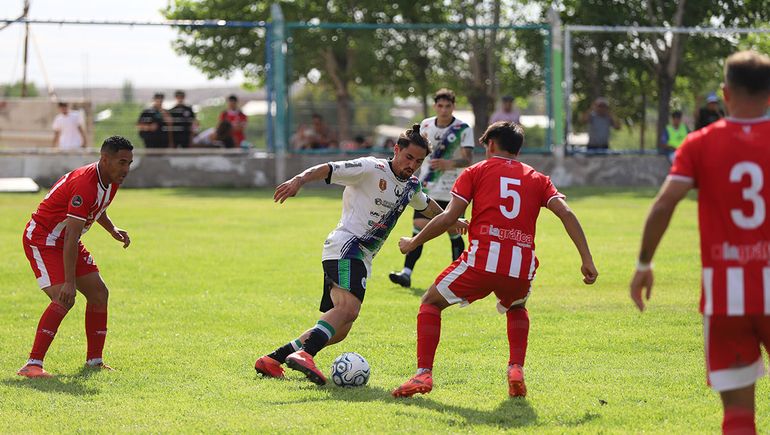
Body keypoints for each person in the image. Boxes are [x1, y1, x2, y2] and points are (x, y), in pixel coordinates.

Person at [391, 121, 598, 398]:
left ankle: (423, 375)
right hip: (520, 268)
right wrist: (587, 259)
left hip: (481, 263)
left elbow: (450, 217)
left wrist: (414, 241)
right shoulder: (538, 178)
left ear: (490, 144)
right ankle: (515, 368)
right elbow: (567, 213)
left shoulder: (476, 171)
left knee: (430, 302)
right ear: (518, 149)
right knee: (517, 307)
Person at [253, 124, 467, 385]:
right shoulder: (370, 168)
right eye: (409, 157)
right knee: (348, 308)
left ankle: (273, 359)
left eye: (419, 161)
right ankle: (305, 354)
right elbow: (329, 169)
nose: (412, 165)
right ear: (396, 150)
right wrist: (298, 180)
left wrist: (454, 219)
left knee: (341, 327)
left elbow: (427, 205)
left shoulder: (411, 186)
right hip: (346, 247)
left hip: (361, 257)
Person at [629, 50, 770, 434]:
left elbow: (664, 204)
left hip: (726, 296)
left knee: (739, 417)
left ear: (725, 94)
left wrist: (644, 264)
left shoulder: (699, 143)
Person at [16, 136, 134, 378]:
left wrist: (111, 229)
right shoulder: (84, 183)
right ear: (105, 159)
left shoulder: (111, 179)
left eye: (129, 163)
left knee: (99, 294)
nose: (126, 169)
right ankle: (32, 364)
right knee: (64, 298)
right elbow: (70, 236)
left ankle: (94, 361)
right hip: (44, 239)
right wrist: (69, 282)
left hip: (65, 240)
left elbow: (97, 207)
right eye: (122, 162)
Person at [389, 88, 474, 288]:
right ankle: (406, 273)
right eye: (440, 105)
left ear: (453, 107)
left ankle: (458, 278)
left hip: (453, 189)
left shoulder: (463, 128)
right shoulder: (425, 125)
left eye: (448, 106)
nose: (444, 110)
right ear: (435, 106)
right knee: (419, 227)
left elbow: (468, 159)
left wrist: (448, 163)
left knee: (454, 230)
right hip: (428, 185)